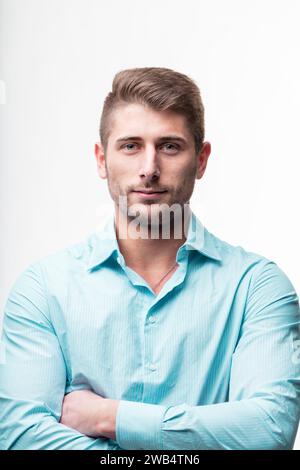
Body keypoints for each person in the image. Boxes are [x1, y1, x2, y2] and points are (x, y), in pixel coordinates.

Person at [0, 67, 299, 450]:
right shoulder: (43, 290)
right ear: (101, 159)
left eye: (170, 146)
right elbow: (21, 437)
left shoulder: (257, 287)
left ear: (202, 160)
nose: (149, 168)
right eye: (130, 146)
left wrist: (110, 417)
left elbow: (269, 432)